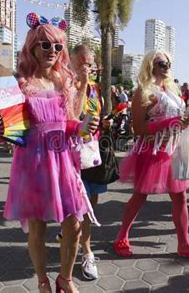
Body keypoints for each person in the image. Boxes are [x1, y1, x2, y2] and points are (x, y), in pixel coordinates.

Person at [0, 15, 99, 293]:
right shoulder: (20, 83)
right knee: (38, 226)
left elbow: (67, 121)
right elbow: (7, 125)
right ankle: (43, 281)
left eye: (57, 46)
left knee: (74, 223)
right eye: (45, 45)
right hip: (32, 160)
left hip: (63, 159)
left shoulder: (63, 81)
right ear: (31, 47)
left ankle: (65, 279)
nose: (51, 52)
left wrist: (80, 126)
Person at [113, 50, 189, 261]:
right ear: (151, 66)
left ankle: (184, 245)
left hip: (173, 150)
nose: (166, 67)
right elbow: (137, 128)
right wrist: (171, 123)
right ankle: (122, 236)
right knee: (140, 195)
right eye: (161, 63)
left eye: (168, 63)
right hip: (152, 151)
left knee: (180, 197)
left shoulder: (172, 91)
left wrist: (186, 119)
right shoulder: (144, 91)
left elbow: (175, 120)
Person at [69, 44, 108, 280]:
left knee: (90, 203)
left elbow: (94, 116)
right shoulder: (67, 85)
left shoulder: (95, 88)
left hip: (90, 153)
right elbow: (72, 114)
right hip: (69, 155)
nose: (87, 67)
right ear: (71, 62)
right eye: (82, 62)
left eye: (90, 63)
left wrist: (104, 124)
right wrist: (81, 83)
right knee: (79, 208)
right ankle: (86, 251)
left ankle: (79, 242)